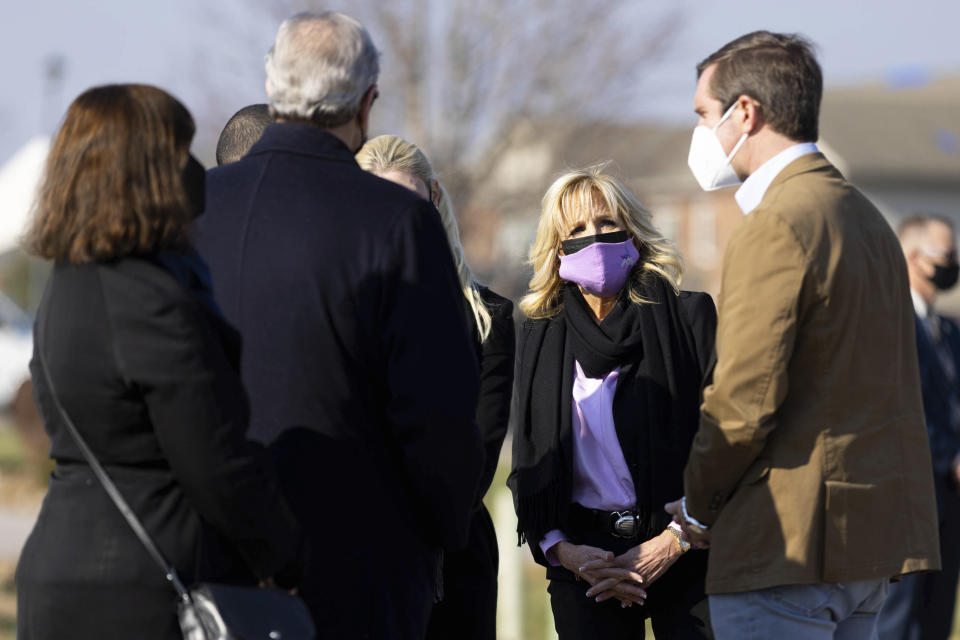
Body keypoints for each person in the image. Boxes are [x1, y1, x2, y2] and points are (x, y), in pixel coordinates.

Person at [193, 12, 484, 639]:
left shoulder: (194, 212)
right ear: (368, 102)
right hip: (359, 571)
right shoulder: (396, 223)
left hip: (216, 567)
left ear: (273, 86)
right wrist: (441, 528)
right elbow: (438, 414)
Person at [666, 31, 941, 640]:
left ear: (745, 112)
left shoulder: (779, 222)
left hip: (786, 545)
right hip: (866, 541)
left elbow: (741, 403)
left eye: (704, 114)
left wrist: (695, 507)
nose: (700, 132)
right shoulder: (866, 217)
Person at [14, 84, 303, 640]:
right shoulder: (147, 300)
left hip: (65, 572)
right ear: (146, 169)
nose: (192, 168)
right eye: (180, 148)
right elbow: (214, 460)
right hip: (142, 589)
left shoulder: (68, 287)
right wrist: (285, 554)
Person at [508, 166, 717, 639]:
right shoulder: (539, 336)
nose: (594, 237)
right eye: (576, 229)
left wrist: (672, 543)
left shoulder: (690, 318)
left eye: (606, 222)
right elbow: (529, 463)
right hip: (587, 563)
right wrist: (567, 552)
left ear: (633, 232)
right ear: (556, 248)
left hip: (684, 550)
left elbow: (722, 443)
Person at [356, 134, 516, 640]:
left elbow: (480, 452)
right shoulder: (339, 312)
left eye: (409, 201)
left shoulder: (488, 318)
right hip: (361, 559)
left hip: (455, 560)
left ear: (435, 198)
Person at [878, 214, 960, 640]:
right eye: (946, 254)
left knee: (937, 614)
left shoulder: (948, 328)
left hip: (948, 499)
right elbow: (897, 409)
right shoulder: (886, 324)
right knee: (896, 616)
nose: (953, 263)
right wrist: (950, 458)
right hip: (905, 497)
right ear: (913, 257)